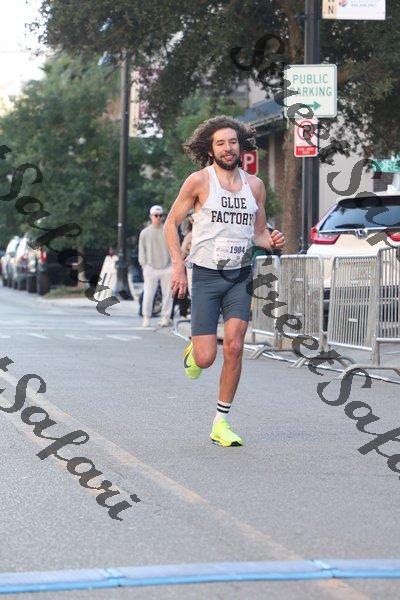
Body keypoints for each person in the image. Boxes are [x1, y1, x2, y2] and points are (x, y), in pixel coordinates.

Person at [164, 115, 285, 447]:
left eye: (232, 142)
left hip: (240, 276)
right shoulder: (199, 182)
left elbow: (259, 233)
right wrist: (178, 266)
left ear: (240, 146)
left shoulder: (255, 186)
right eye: (220, 143)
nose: (228, 148)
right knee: (206, 358)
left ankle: (221, 421)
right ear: (210, 149)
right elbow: (170, 223)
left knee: (234, 345)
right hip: (205, 276)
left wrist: (272, 240)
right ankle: (194, 351)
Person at [138, 205, 173, 327]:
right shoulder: (145, 233)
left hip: (167, 266)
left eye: (160, 215)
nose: (158, 218)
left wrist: (174, 264)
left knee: (168, 295)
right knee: (148, 293)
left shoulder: (167, 230)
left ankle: (166, 317)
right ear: (151, 216)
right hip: (150, 267)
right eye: (156, 215)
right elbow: (142, 250)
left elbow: (173, 247)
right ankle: (146, 317)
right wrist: (144, 265)